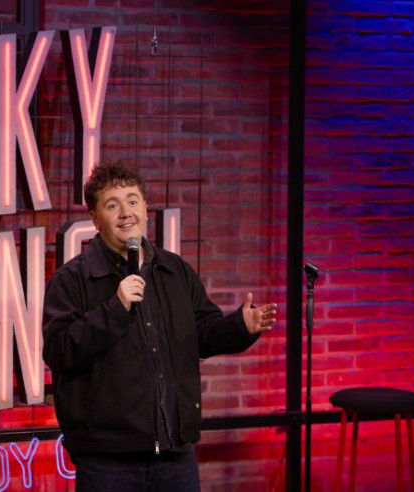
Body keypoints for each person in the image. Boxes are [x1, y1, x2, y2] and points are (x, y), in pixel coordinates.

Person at [42, 161, 277, 491]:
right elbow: (58, 350)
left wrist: (240, 327)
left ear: (145, 208)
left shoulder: (173, 270)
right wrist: (116, 308)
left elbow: (202, 333)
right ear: (95, 219)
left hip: (174, 455)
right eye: (113, 205)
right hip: (107, 462)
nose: (126, 212)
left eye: (133, 201)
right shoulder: (72, 279)